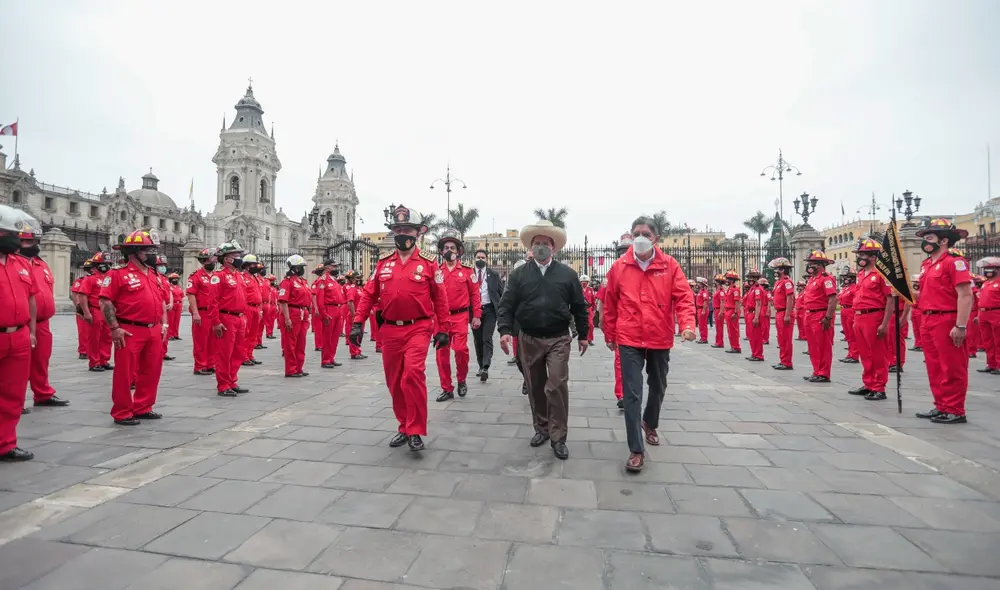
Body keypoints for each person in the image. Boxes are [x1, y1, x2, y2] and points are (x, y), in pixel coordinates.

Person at [350, 205, 449, 452]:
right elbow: (368, 295)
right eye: (397, 229)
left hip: (419, 327)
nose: (401, 232)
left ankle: (416, 429)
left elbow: (440, 298)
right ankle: (404, 426)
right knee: (394, 381)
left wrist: (443, 328)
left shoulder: (429, 263)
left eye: (406, 229)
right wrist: (357, 323)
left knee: (413, 374)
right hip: (391, 330)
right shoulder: (383, 263)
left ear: (418, 233)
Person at [602, 216, 695, 473]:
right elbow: (610, 304)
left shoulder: (670, 266)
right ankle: (636, 449)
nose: (640, 237)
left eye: (645, 233)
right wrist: (610, 334)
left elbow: (684, 297)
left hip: (658, 336)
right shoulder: (620, 267)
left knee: (658, 385)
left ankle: (650, 422)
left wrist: (687, 324)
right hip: (629, 337)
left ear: (655, 238)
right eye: (636, 233)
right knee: (632, 394)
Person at [497, 220, 589, 461]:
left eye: (545, 244)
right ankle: (542, 428)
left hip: (559, 338)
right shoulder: (518, 275)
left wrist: (584, 335)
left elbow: (580, 307)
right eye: (536, 244)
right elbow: (506, 304)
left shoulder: (567, 275)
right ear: (530, 247)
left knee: (556, 384)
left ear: (554, 248)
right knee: (536, 386)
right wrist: (504, 330)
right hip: (529, 338)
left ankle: (559, 437)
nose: (541, 247)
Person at [99, 229, 167, 425]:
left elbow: (160, 301)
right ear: (134, 252)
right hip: (130, 330)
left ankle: (143, 406)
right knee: (125, 373)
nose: (152, 255)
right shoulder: (118, 274)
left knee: (152, 370)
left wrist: (162, 324)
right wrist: (114, 328)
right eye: (147, 250)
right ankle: (122, 411)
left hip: (153, 329)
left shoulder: (153, 274)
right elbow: (105, 301)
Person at [915, 218, 973, 424]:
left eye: (929, 237)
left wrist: (960, 325)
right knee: (935, 366)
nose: (924, 241)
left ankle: (955, 409)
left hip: (946, 319)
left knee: (952, 366)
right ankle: (941, 405)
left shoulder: (954, 262)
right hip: (928, 319)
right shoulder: (926, 265)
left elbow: (965, 295)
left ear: (943, 240)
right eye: (924, 237)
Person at [0, 205, 39, 461]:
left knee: (13, 393)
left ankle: (6, 443)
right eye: (12, 234)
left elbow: (31, 299)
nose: (18, 239)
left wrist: (32, 331)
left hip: (20, 336)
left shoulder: (21, 265)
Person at [18, 222, 69, 409]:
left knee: (41, 360)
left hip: (43, 322)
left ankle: (42, 393)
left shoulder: (42, 264)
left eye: (33, 241)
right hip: (23, 324)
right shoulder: (13, 264)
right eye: (25, 241)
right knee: (19, 365)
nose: (31, 245)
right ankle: (15, 399)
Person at [434, 229, 482, 402]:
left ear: (459, 251)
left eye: (452, 247)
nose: (449, 250)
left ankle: (461, 379)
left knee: (461, 350)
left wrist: (476, 315)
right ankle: (447, 388)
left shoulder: (468, 271)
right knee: (442, 355)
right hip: (440, 319)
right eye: (446, 247)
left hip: (460, 317)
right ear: (441, 251)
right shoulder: (436, 271)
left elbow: (475, 294)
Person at [848, 238, 894, 401]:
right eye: (859, 254)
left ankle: (879, 386)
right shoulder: (861, 274)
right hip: (860, 316)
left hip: (875, 316)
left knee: (877, 353)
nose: (859, 257)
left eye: (862, 254)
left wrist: (884, 323)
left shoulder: (882, 274)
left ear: (873, 257)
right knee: (865, 353)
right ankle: (868, 383)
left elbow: (890, 299)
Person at [209, 241, 249, 397]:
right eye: (235, 255)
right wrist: (216, 322)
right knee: (225, 353)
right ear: (226, 258)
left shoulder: (238, 276)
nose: (239, 258)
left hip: (239, 318)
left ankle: (232, 380)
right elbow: (212, 302)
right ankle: (223, 384)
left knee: (238, 352)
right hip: (226, 318)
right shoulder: (219, 277)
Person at [800, 250, 838, 383]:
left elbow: (832, 299)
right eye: (810, 263)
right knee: (813, 346)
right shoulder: (811, 280)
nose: (810, 266)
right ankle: (816, 371)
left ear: (821, 264)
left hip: (820, 315)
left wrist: (828, 317)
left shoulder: (826, 279)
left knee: (822, 346)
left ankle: (824, 373)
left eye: (813, 263)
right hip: (809, 314)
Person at [472, 248, 503, 382]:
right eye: (478, 257)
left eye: (483, 258)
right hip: (474, 312)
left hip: (490, 310)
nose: (480, 259)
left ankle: (486, 366)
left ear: (486, 259)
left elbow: (501, 292)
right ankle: (480, 366)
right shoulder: (469, 273)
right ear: (474, 259)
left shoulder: (493, 274)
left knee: (487, 338)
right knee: (478, 340)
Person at [279, 255, 312, 378]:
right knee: (291, 343)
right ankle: (291, 369)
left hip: (303, 314)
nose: (302, 269)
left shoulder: (303, 282)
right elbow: (283, 301)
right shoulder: (287, 282)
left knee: (301, 342)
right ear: (294, 268)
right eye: (300, 267)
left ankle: (299, 367)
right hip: (292, 313)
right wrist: (287, 319)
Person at [186, 247, 217, 376]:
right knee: (201, 341)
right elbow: (191, 295)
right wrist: (195, 313)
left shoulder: (216, 276)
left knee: (213, 340)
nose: (214, 261)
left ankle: (210, 364)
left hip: (213, 313)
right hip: (202, 312)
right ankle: (199, 366)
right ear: (204, 261)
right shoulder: (196, 276)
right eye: (211, 259)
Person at [83, 252, 114, 372]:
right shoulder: (90, 279)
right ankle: (94, 362)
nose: (106, 266)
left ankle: (104, 360)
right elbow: (83, 296)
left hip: (107, 311)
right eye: (103, 264)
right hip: (95, 310)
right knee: (94, 338)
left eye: (108, 264)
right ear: (97, 265)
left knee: (107, 336)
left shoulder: (109, 278)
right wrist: (86, 312)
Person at [316, 258, 346, 368]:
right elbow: (320, 299)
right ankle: (325, 360)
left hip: (338, 309)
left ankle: (331, 358)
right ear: (327, 267)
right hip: (329, 309)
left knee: (335, 336)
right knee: (327, 337)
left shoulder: (333, 280)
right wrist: (323, 313)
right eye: (334, 266)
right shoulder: (322, 280)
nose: (335, 268)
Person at [768, 258, 796, 370]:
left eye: (776, 269)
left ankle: (787, 362)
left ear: (782, 270)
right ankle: (783, 360)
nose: (775, 271)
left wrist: (788, 314)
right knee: (781, 339)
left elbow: (790, 298)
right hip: (779, 313)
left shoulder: (787, 282)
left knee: (786, 339)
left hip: (785, 312)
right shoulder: (778, 282)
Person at [975, 258, 1000, 373]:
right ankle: (991, 364)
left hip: (996, 313)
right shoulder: (985, 283)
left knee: (998, 340)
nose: (988, 271)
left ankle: (999, 365)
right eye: (986, 269)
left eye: (991, 269)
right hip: (983, 313)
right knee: (988, 341)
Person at [240, 255, 264, 367]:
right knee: (246, 333)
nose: (255, 266)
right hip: (247, 308)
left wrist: (260, 309)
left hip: (256, 307)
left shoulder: (254, 277)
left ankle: (250, 355)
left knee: (253, 333)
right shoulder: (242, 277)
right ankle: (243, 356)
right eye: (253, 264)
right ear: (247, 266)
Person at [154, 255, 175, 362]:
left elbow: (170, 291)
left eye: (164, 265)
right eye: (160, 265)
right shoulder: (154, 277)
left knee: (166, 330)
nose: (163, 267)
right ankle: (158, 352)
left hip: (167, 308)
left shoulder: (165, 278)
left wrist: (171, 302)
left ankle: (163, 352)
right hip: (159, 308)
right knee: (160, 331)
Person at [72, 259, 93, 359]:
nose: (90, 271)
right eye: (88, 269)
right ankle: (83, 351)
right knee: (83, 331)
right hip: (83, 309)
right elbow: (75, 294)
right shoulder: (80, 280)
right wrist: (78, 307)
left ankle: (92, 350)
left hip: (94, 308)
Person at [838, 266, 860, 364]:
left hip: (851, 310)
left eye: (847, 277)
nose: (845, 279)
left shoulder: (854, 288)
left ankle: (854, 355)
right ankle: (850, 353)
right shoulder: (845, 288)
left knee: (852, 334)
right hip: (844, 310)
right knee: (847, 334)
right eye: (844, 277)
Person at [743, 269, 765, 361]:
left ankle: (758, 355)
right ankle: (754, 353)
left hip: (754, 313)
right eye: (749, 277)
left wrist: (756, 317)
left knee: (756, 336)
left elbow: (758, 304)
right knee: (752, 336)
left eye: (751, 278)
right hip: (750, 313)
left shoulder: (757, 289)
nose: (749, 280)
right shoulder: (752, 289)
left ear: (756, 278)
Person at [343, 271, 366, 359]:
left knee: (359, 334)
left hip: (360, 315)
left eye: (359, 278)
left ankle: (358, 351)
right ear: (352, 279)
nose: (359, 279)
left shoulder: (358, 288)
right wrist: (354, 315)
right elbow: (350, 302)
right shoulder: (352, 289)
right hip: (354, 314)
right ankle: (354, 352)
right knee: (353, 333)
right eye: (357, 278)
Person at [722, 270, 742, 353]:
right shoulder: (729, 289)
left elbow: (737, 302)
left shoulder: (735, 290)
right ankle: (733, 346)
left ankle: (736, 347)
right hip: (728, 311)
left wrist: (736, 313)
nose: (726, 280)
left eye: (728, 279)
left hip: (732, 311)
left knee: (734, 330)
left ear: (732, 280)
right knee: (730, 330)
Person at [167, 272, 183, 341]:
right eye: (173, 279)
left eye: (176, 279)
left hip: (178, 305)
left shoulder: (179, 288)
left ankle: (176, 334)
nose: (175, 280)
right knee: (171, 321)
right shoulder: (169, 287)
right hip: (172, 304)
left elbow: (182, 297)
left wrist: (182, 306)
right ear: (170, 280)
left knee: (177, 321)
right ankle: (170, 335)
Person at [711, 274, 726, 348]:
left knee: (719, 327)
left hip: (718, 310)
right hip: (716, 310)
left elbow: (722, 302)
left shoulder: (721, 291)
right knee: (717, 327)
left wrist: (721, 312)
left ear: (718, 282)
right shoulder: (717, 290)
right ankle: (718, 342)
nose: (715, 283)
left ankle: (720, 342)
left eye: (716, 281)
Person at [581, 275, 596, 345]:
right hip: (581, 309)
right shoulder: (578, 289)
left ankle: (590, 339)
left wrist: (594, 309)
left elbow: (593, 300)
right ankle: (583, 338)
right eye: (582, 282)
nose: (584, 283)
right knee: (582, 325)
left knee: (591, 325)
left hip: (589, 309)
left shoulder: (590, 289)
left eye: (585, 282)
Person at [909, 275, 923, 352]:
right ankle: (917, 344)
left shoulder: (921, 291)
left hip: (919, 310)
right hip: (914, 310)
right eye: (914, 282)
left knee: (920, 329)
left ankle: (921, 344)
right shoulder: (914, 291)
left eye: (917, 282)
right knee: (915, 329)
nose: (915, 284)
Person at [695, 277, 710, 343]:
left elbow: (705, 301)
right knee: (701, 325)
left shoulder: (704, 292)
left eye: (699, 283)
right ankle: (702, 337)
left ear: (702, 284)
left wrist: (703, 310)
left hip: (702, 309)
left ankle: (704, 338)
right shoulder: (700, 291)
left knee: (703, 325)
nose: (698, 284)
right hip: (699, 309)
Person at [759, 278, 772, 345]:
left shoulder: (768, 293)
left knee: (765, 326)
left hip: (765, 308)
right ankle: (762, 338)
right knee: (761, 325)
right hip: (761, 308)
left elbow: (769, 302)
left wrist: (768, 311)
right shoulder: (762, 292)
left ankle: (765, 339)